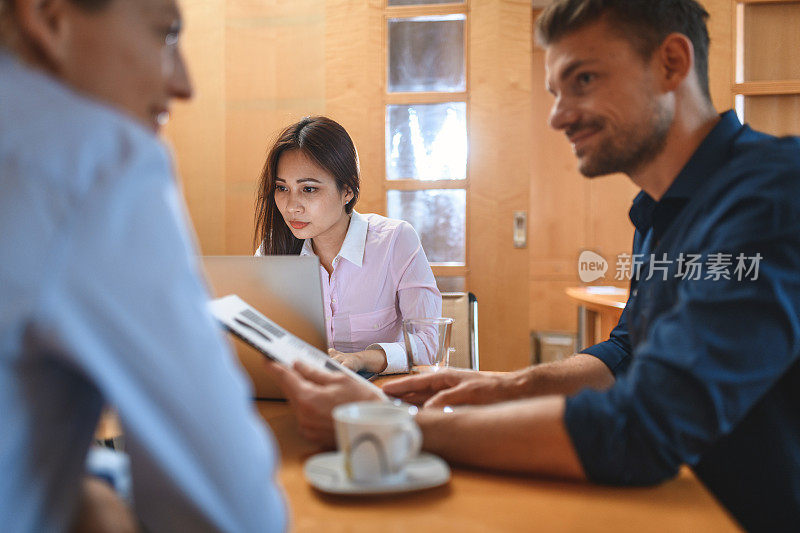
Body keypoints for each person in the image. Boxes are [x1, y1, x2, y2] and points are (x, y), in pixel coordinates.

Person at [263, 0, 800, 530]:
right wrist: (503, 387)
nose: (559, 115)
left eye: (584, 80)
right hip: (687, 503)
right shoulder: (659, 213)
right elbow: (627, 350)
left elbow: (645, 426)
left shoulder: (770, 198)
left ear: (672, 64)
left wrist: (390, 425)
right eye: (556, 91)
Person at [0, 0, 285, 530]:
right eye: (166, 32)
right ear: (49, 17)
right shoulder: (96, 160)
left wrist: (92, 487)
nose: (184, 83)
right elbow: (236, 514)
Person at [254, 116, 442, 375]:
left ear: (348, 191)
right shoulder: (271, 250)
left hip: (380, 402)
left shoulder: (396, 241)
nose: (291, 206)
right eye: (282, 188)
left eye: (308, 189)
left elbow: (430, 344)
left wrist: (363, 359)